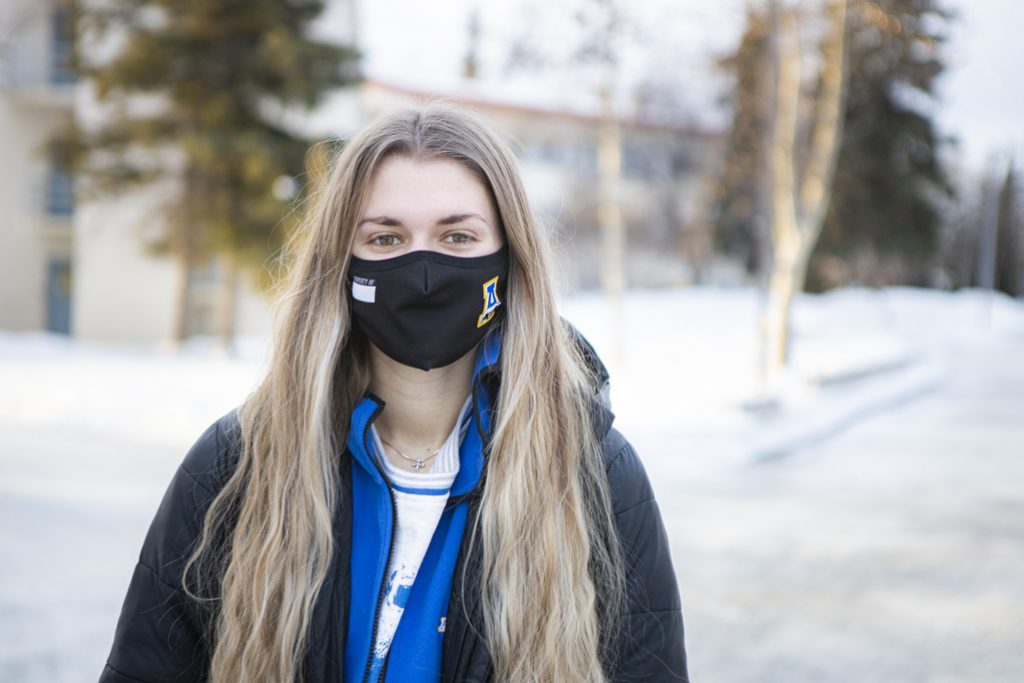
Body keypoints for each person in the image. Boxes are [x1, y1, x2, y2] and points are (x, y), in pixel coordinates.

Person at [98, 103, 688, 683]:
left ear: (509, 260)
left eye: (458, 236)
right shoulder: (237, 464)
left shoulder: (594, 474)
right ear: (340, 263)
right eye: (385, 238)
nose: (423, 270)